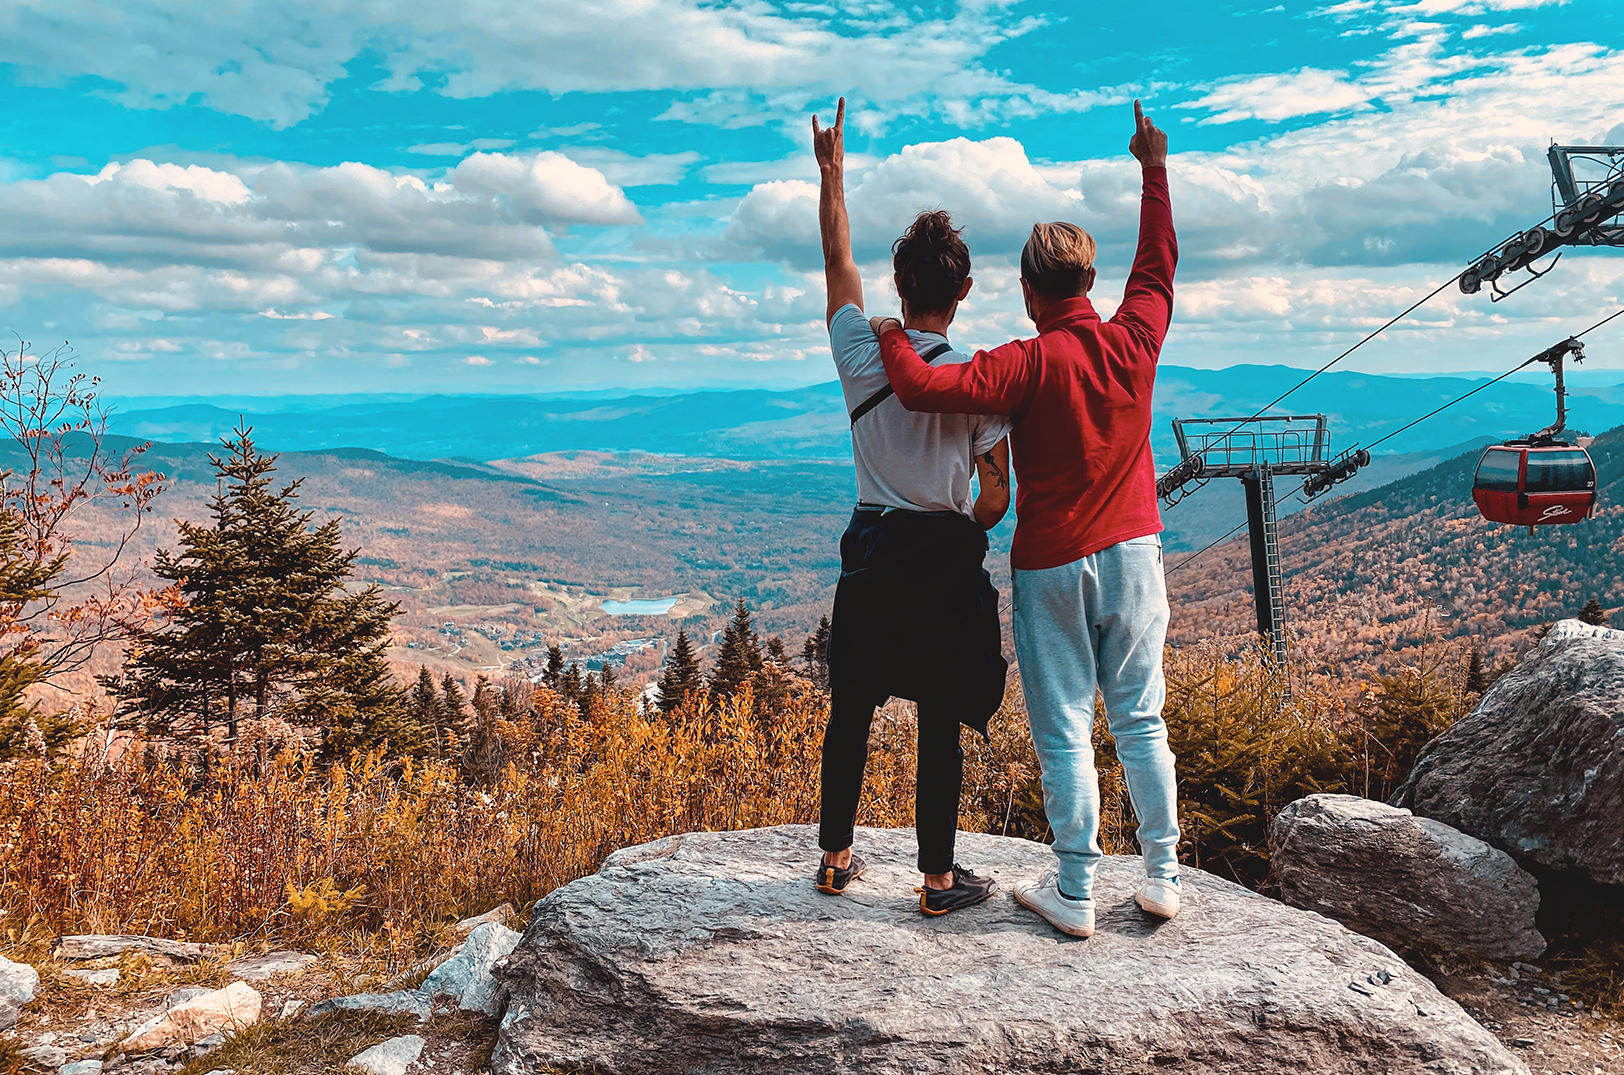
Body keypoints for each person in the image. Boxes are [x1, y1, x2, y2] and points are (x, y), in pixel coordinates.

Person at [870, 100, 1180, 938]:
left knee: (1065, 726)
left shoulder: (1024, 364)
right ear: (1086, 281)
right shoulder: (1135, 337)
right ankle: (1161, 874)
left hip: (1051, 562)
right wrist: (1153, 167)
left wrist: (893, 333)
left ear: (1027, 289)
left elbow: (921, 388)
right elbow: (1156, 263)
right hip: (1136, 551)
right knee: (1140, 715)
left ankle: (1075, 889)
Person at [811, 97, 1012, 917]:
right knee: (938, 714)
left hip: (870, 548)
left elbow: (835, 261)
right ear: (962, 292)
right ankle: (937, 881)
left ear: (899, 286)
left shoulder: (862, 354)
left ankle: (834, 858)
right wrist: (970, 522)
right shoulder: (976, 379)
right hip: (940, 556)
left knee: (851, 707)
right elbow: (997, 493)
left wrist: (832, 175)